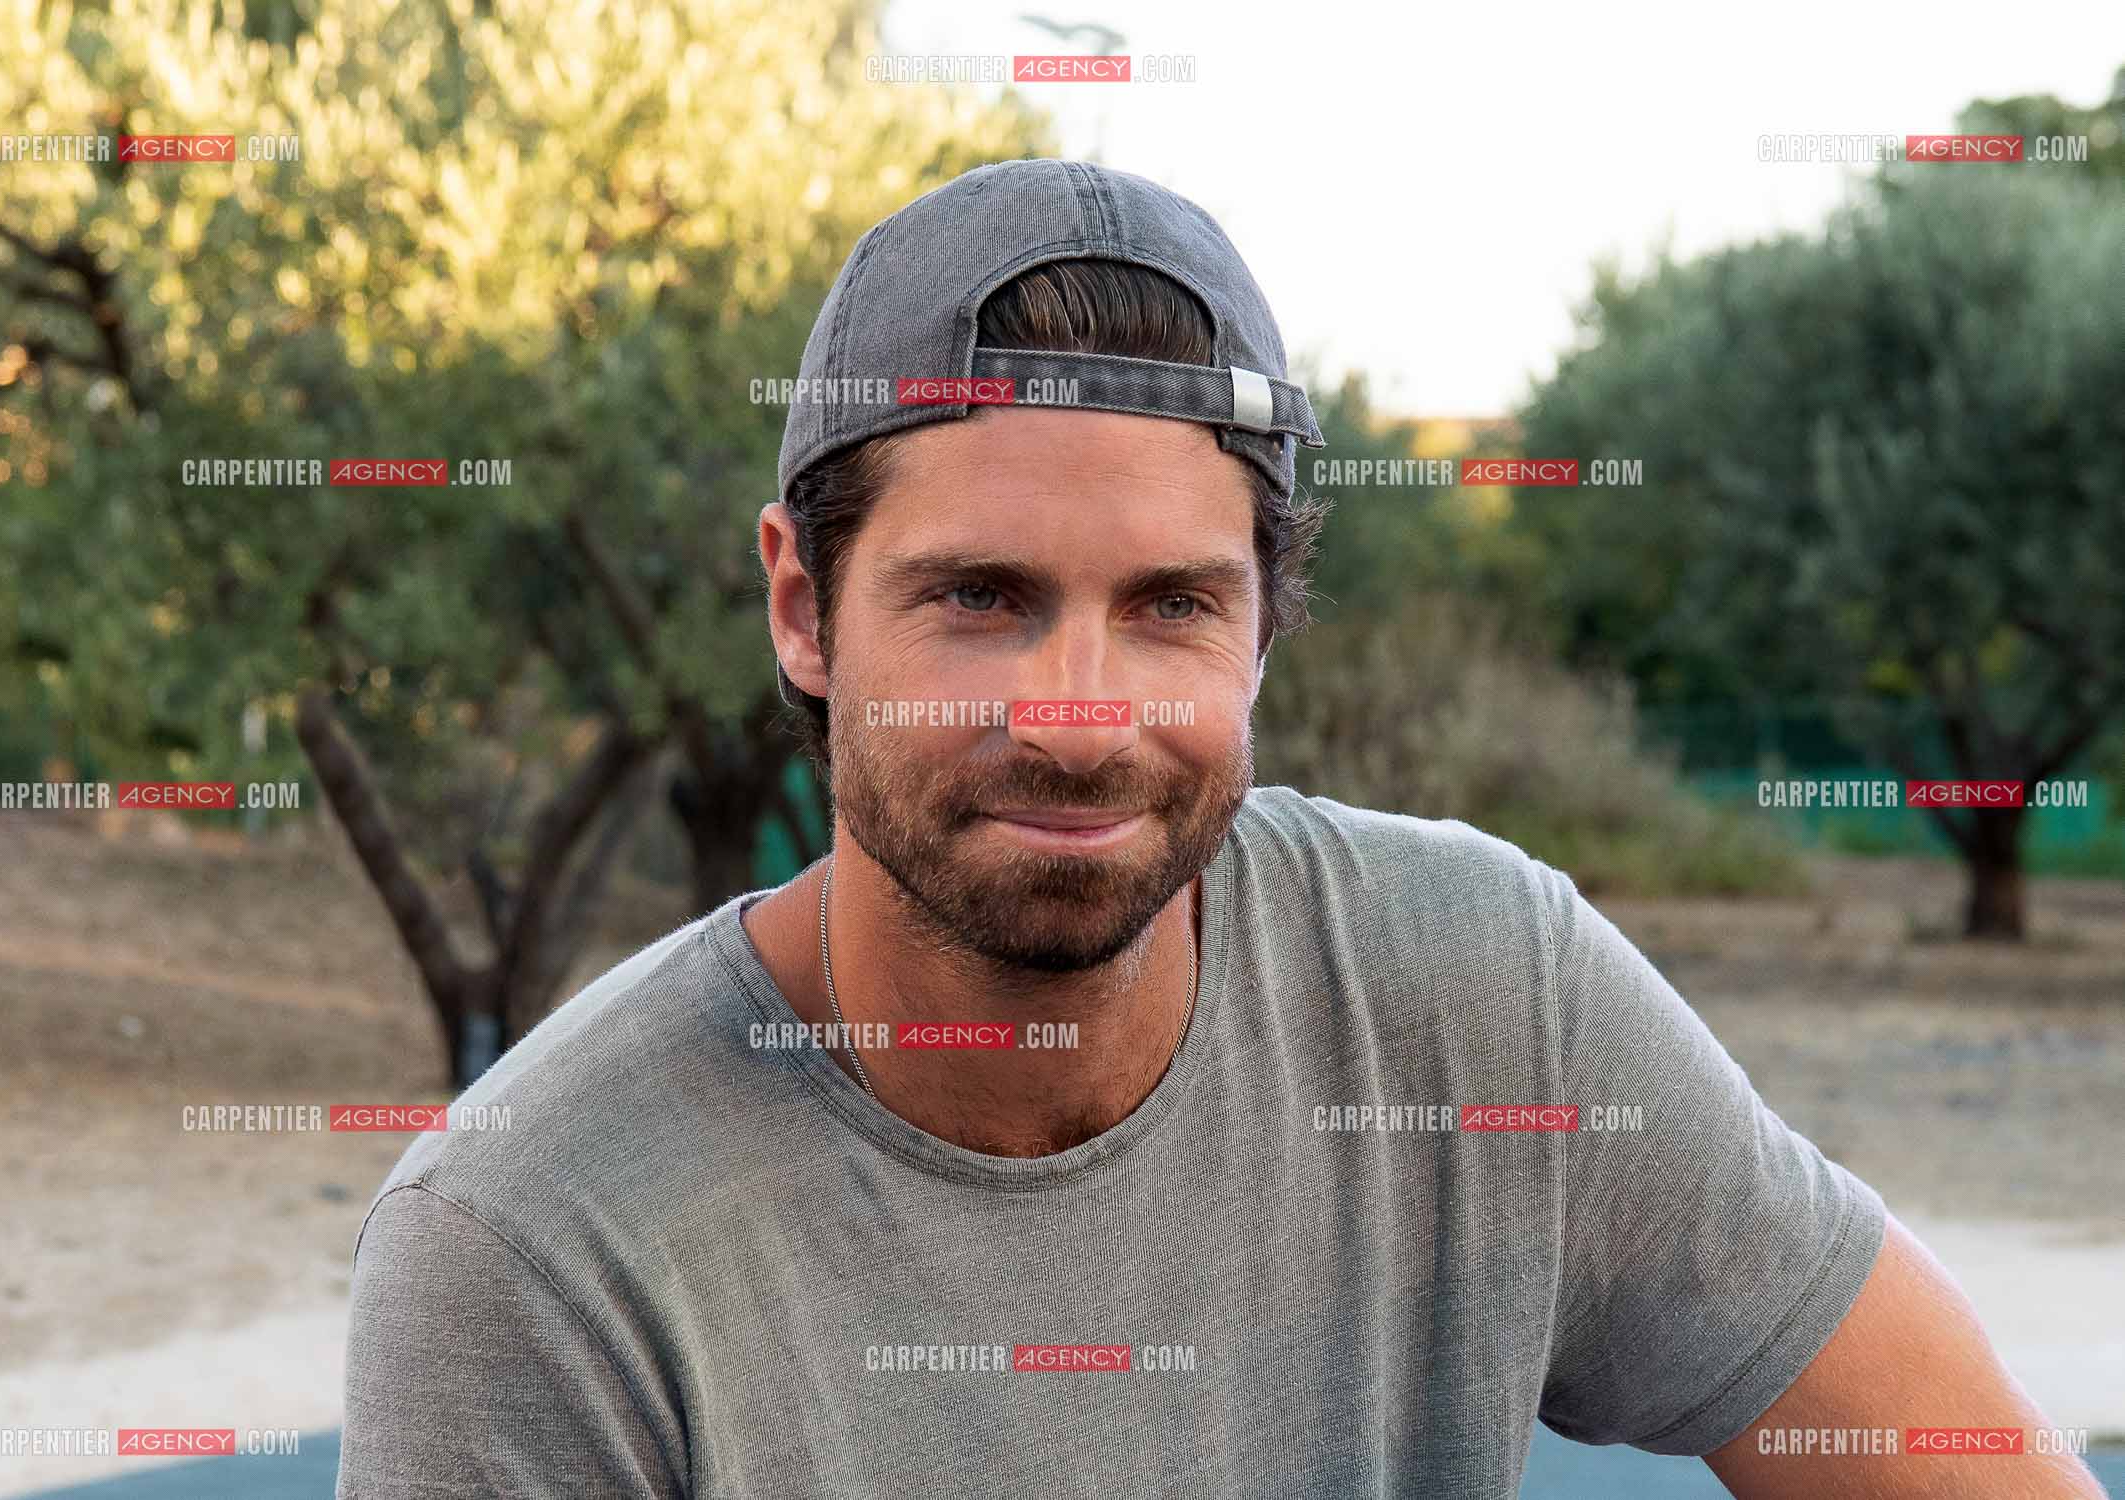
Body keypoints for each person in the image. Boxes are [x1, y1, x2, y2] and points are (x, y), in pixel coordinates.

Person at [335, 158, 2100, 1498]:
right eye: (980, 598)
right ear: (804, 608)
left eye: (1171, 605)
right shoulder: (532, 1251)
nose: (1079, 710)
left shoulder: (1486, 996)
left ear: (1264, 621)